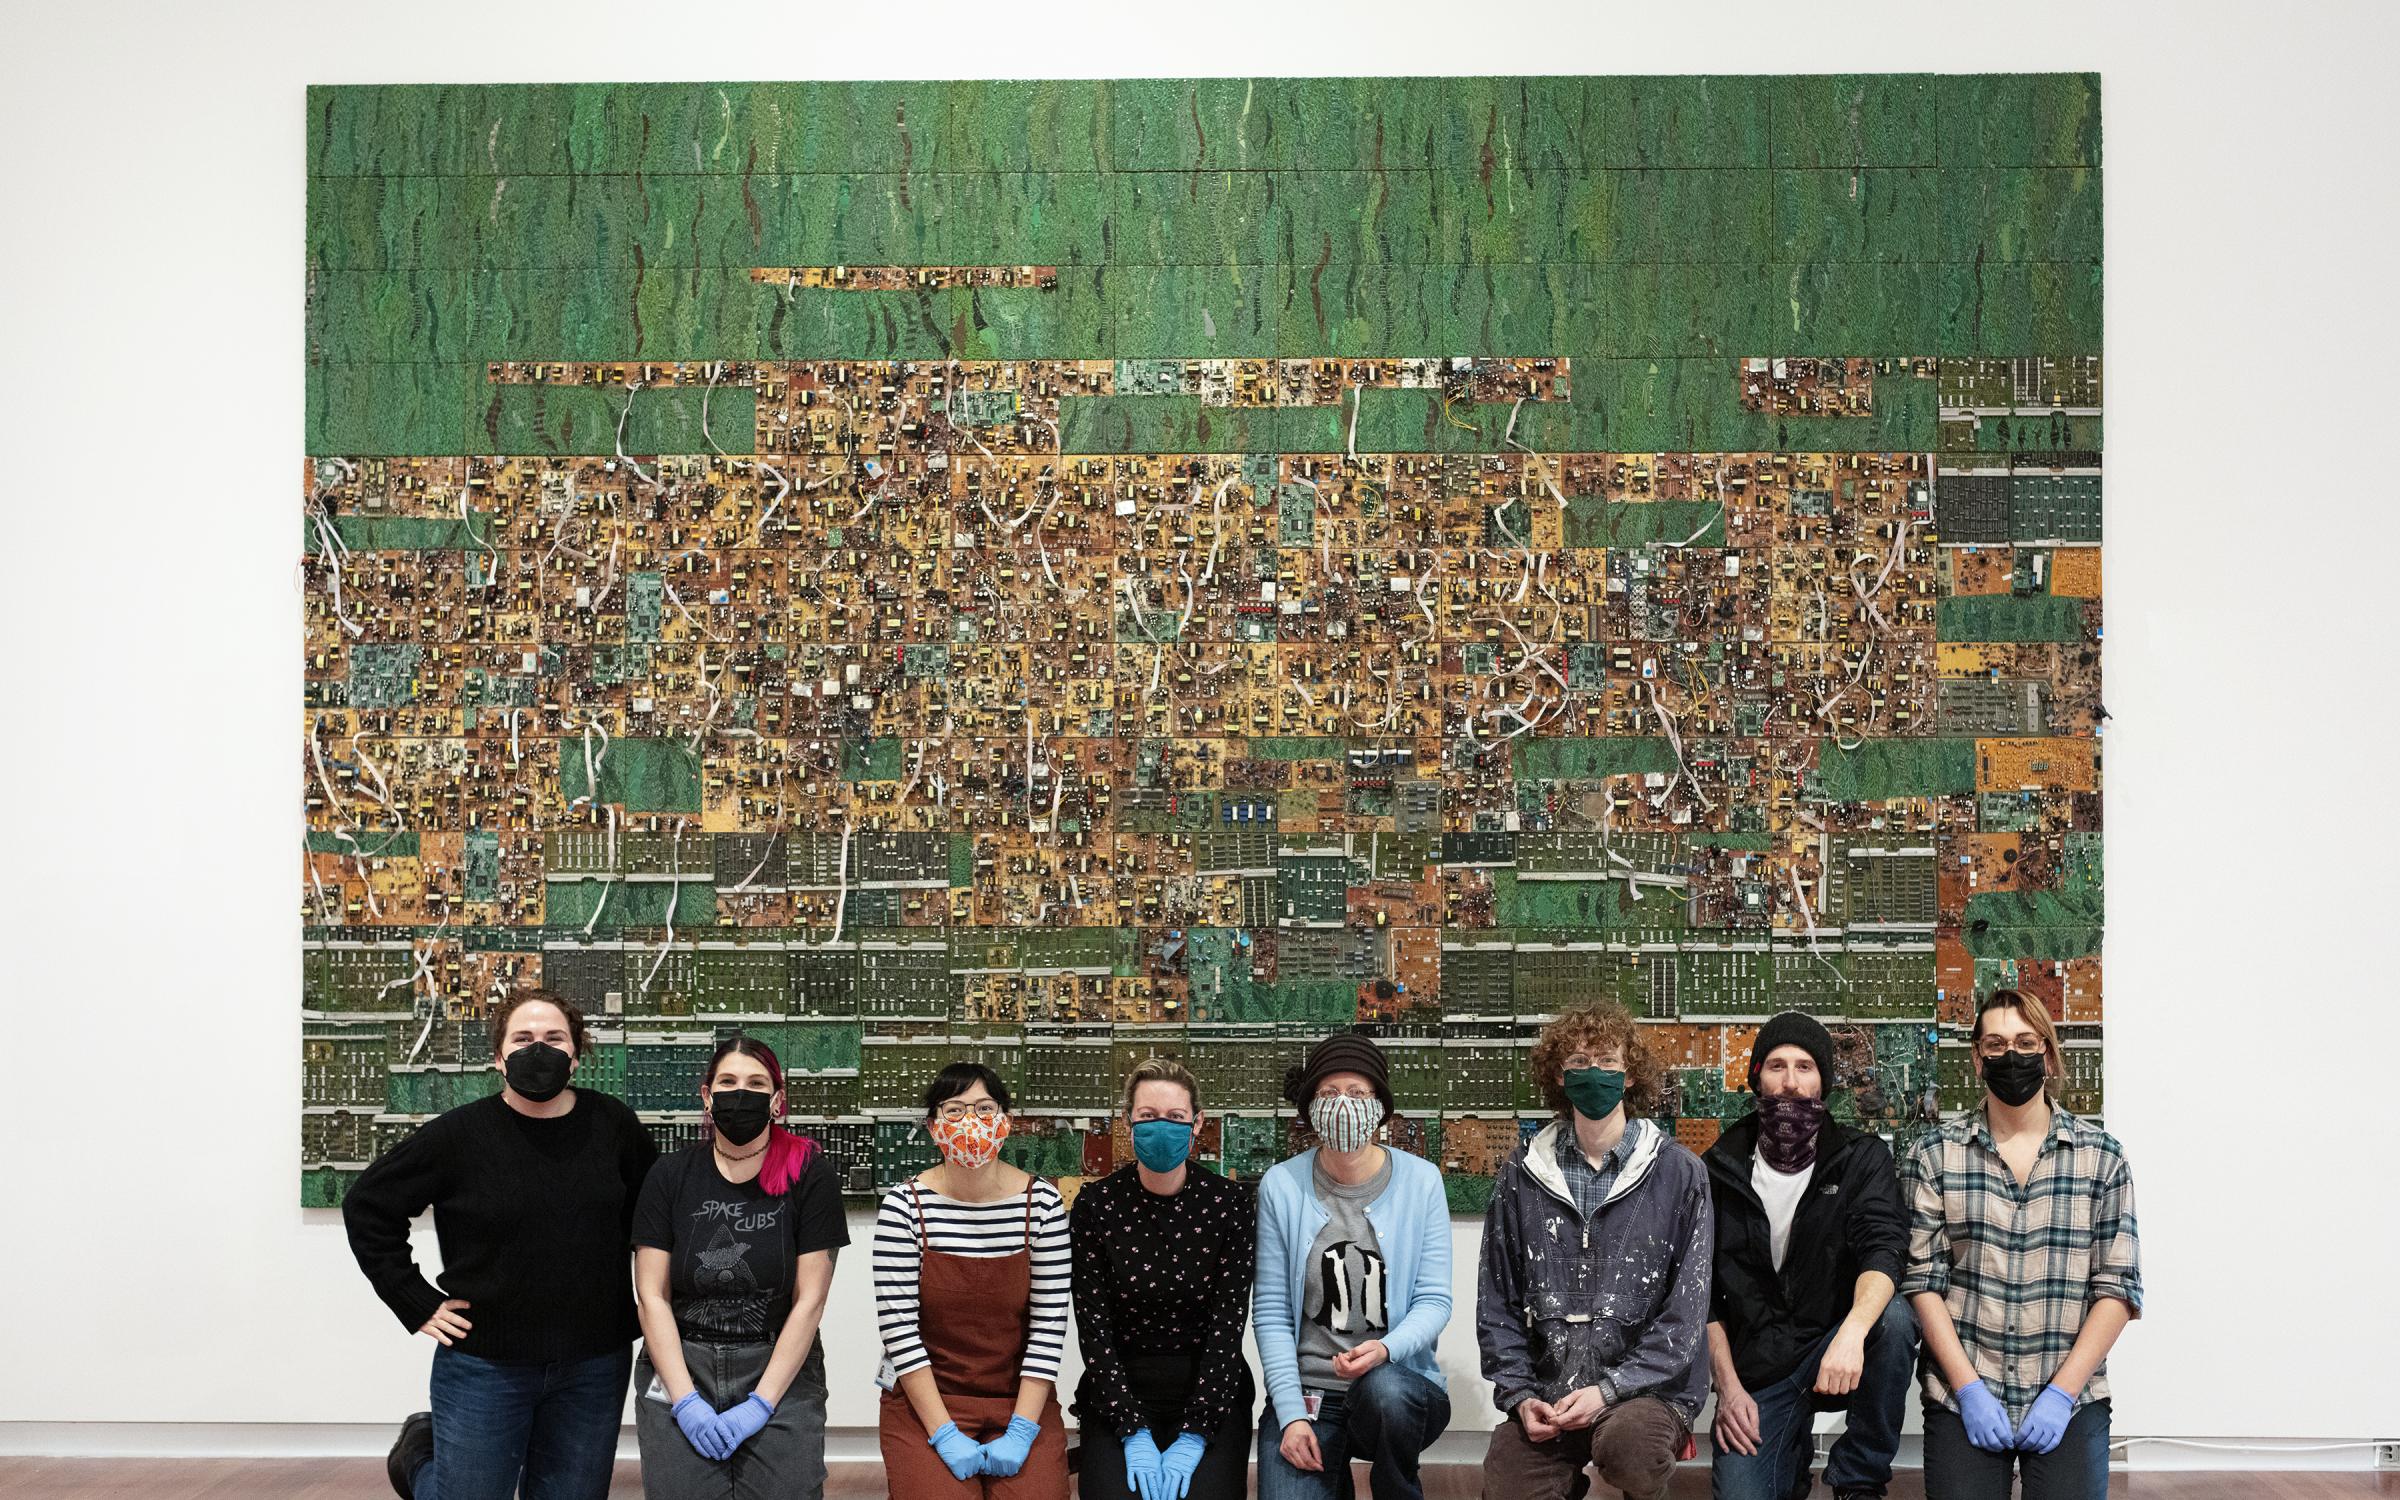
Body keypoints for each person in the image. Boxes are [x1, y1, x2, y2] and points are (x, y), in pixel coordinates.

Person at [342, 988, 660, 1500]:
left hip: (592, 1364)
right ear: (498, 1057)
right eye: (524, 1038)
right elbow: (368, 1205)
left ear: (576, 1055)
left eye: (555, 1038)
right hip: (484, 1363)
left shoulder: (613, 1126)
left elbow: (653, 1218)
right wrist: (415, 1300)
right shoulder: (460, 1136)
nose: (540, 1049)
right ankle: (419, 1462)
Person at [1901, 990, 2142, 1500]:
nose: (2012, 1056)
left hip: (2068, 1394)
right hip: (1964, 1391)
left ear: (2048, 1055)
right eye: (1996, 1043)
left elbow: (2118, 1288)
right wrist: (1967, 1390)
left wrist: (2062, 1391)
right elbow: (1923, 1282)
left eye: (2026, 1042)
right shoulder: (1935, 1155)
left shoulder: (2103, 1159)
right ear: (1976, 1058)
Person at [1475, 1000, 1713, 1500]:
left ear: (1630, 1076)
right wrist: (1519, 1396)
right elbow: (1496, 1304)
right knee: (1506, 1484)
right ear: (1558, 1077)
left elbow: (1685, 1316)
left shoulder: (1680, 1173)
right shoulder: (1521, 1175)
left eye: (1607, 1061)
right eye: (1578, 1064)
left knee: (1632, 1452)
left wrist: (1609, 1390)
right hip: (1550, 1392)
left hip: (1647, 1393)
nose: (1594, 1074)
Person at [1703, 1012, 1914, 1500]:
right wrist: (1728, 1388)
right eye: (1777, 1066)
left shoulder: (1861, 1159)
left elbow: (1884, 1249)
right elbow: (1701, 1289)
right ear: (1756, 1075)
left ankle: (1858, 1478)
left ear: (1824, 1081)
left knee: (1897, 1319)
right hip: (1759, 1367)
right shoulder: (1718, 1168)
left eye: (1805, 1067)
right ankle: (1789, 1457)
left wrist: (1853, 1333)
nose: (1790, 1082)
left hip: (1835, 1345)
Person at [630, 1036, 849, 1499]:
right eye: (727, 1082)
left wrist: (761, 1404)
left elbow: (810, 1301)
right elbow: (651, 1296)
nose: (741, 1094)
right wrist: (685, 1401)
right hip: (681, 1365)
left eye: (756, 1083)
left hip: (778, 1368)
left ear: (777, 1099)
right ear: (707, 1096)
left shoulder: (809, 1173)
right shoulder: (669, 1176)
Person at [1254, 1031, 1453, 1500]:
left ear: (1380, 1107)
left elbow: (1434, 1300)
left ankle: (1397, 1489)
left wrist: (1386, 1350)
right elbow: (1270, 1312)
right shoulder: (1281, 1185)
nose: (1343, 1105)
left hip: (1398, 1385)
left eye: (1358, 1092)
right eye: (1328, 1093)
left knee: (1386, 1391)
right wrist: (1290, 1414)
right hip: (1311, 1394)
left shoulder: (1422, 1181)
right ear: (1309, 1109)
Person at [873, 1062, 1072, 1498]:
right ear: (932, 1126)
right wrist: (943, 1433)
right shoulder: (904, 1206)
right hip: (925, 1399)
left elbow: (1049, 1327)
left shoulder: (1041, 1204)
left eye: (985, 1108)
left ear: (1006, 1121)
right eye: (954, 1110)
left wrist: (1022, 1431)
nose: (971, 1122)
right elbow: (899, 1330)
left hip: (1017, 1397)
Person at [1070, 1058, 1256, 1500]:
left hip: (1211, 1388)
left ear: (1197, 1123)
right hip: (1120, 1389)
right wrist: (1131, 1431)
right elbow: (1093, 1328)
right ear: (1127, 1122)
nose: (1162, 1129)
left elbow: (1228, 1325)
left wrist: (1195, 1434)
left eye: (1175, 1118)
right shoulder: (1096, 1206)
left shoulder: (1228, 1204)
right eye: (1148, 1117)